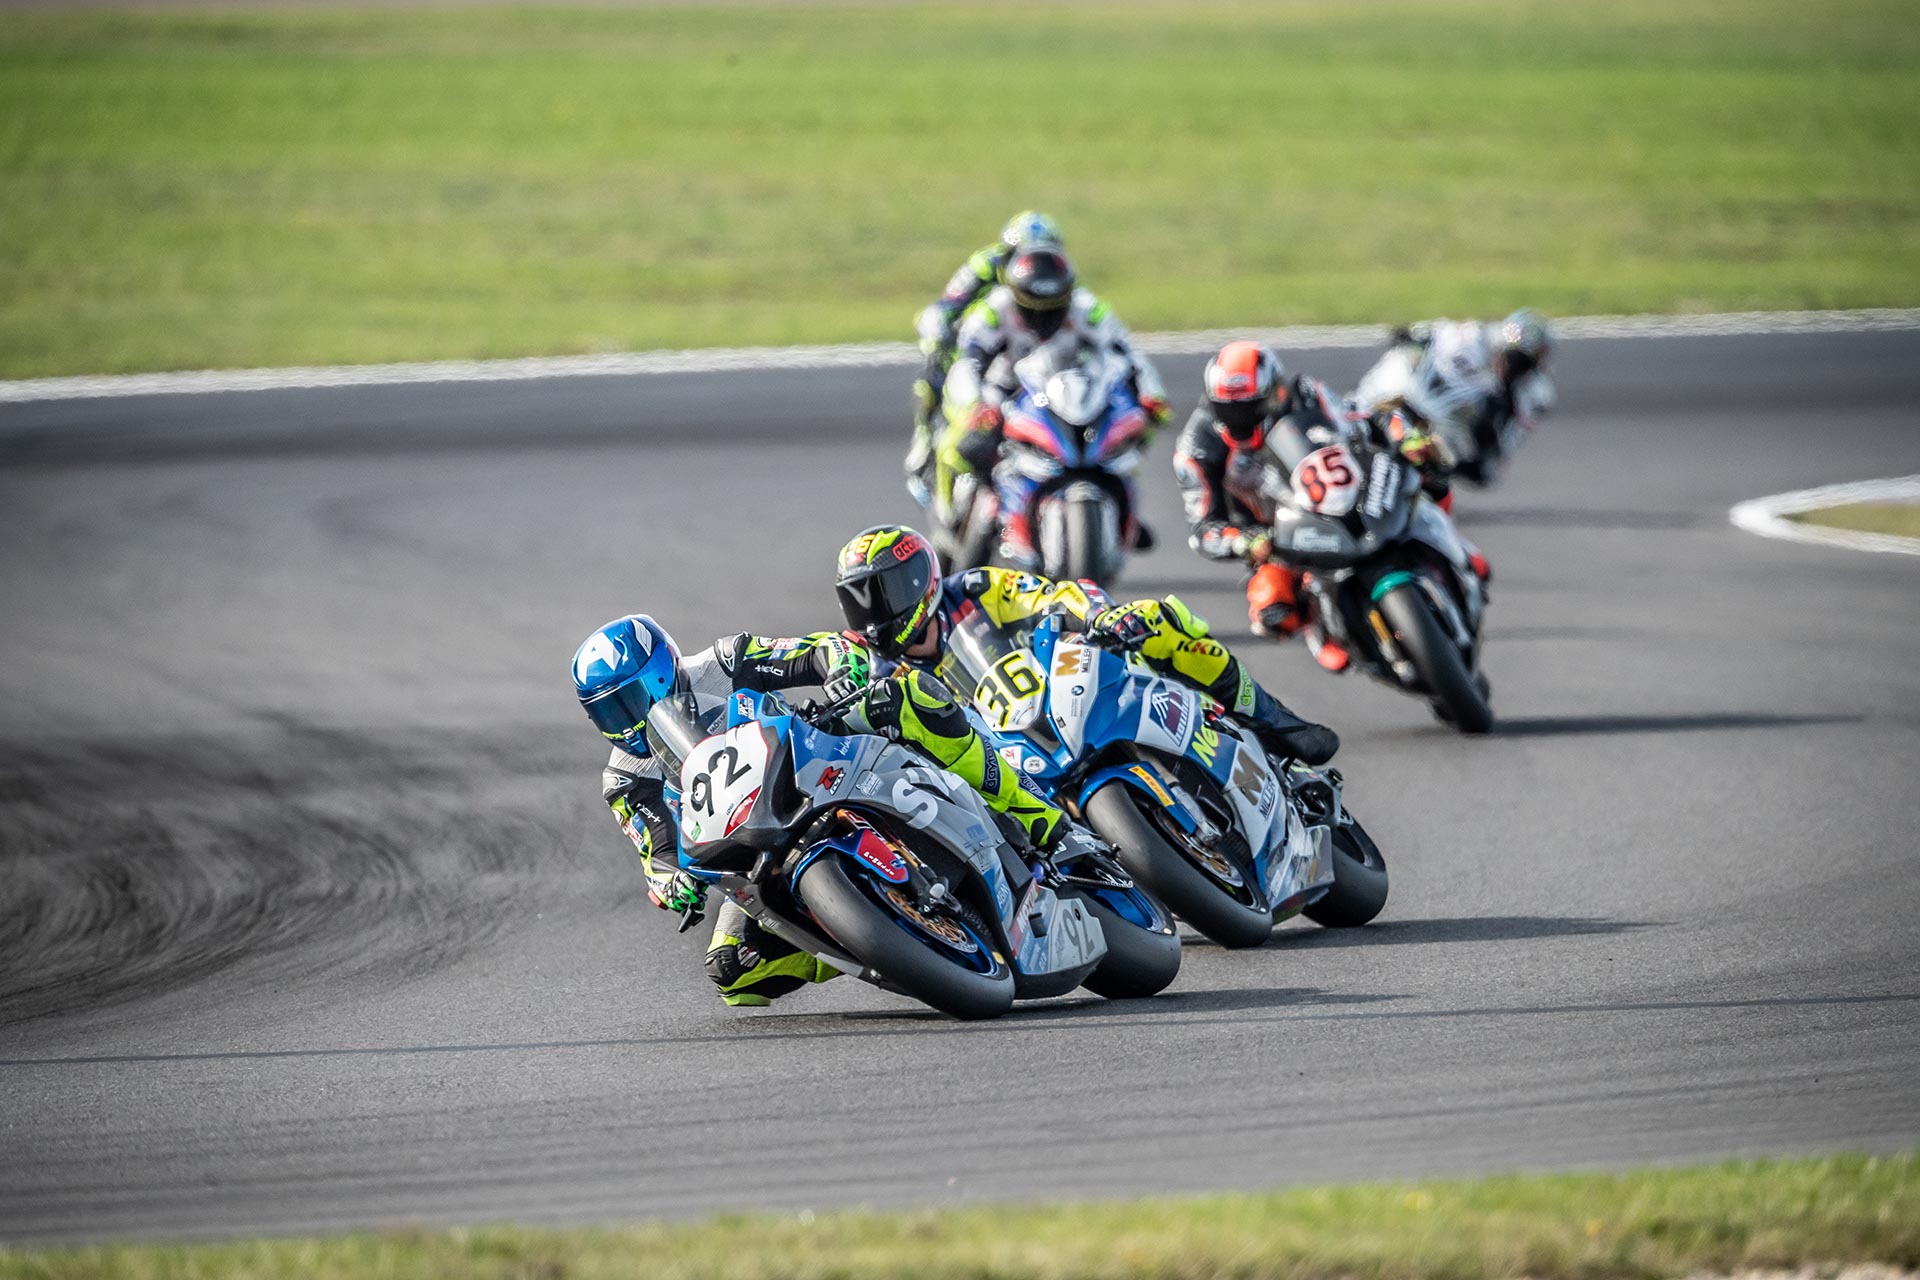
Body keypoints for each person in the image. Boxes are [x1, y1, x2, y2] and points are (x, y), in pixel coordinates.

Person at [570, 608, 1072, 1007]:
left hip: (815, 755)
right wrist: (671, 883)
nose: (629, 720)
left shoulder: (721, 662)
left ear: (664, 671)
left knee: (907, 698)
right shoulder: (624, 781)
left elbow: (818, 650)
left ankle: (1038, 814)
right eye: (610, 711)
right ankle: (875, 939)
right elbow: (656, 851)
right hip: (751, 845)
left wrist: (840, 670)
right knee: (733, 968)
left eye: (634, 697)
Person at [831, 524, 1339, 767]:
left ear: (919, 581)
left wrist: (1100, 615)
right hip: (1005, 761)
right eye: (859, 602)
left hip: (1071, 689)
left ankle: (1275, 721)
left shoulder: (974, 589)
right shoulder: (880, 672)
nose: (874, 613)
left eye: (884, 594)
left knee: (1161, 622)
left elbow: (1053, 594)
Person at [1173, 340, 1490, 671]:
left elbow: (1363, 417)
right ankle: (1332, 632)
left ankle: (1455, 546)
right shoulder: (1196, 448)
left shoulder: (1305, 394)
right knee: (1272, 611)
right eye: (1229, 409)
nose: (1241, 419)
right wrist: (1243, 541)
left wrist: (1404, 438)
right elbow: (1203, 529)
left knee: (1430, 471)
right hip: (1277, 534)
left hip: (1347, 491)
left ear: (1273, 392)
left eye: (1251, 406)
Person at [933, 243, 1172, 566]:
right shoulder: (992, 311)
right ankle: (955, 513)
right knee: (963, 446)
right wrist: (975, 404)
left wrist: (1151, 394)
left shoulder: (1089, 309)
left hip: (1068, 392)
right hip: (1005, 392)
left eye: (1052, 310)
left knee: (1135, 420)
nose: (1042, 319)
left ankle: (1119, 501)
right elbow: (967, 363)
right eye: (1032, 309)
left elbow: (1128, 355)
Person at [905, 210, 1064, 499]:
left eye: (1045, 255)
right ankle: (923, 449)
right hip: (976, 343)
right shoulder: (984, 265)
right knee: (932, 381)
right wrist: (940, 336)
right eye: (1024, 255)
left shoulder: (1056, 276)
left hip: (1029, 352)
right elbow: (946, 305)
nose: (1034, 265)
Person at [1349, 309, 1556, 486]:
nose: (1510, 366)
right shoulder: (1474, 335)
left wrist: (1487, 437)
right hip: (1415, 391)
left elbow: (1495, 463)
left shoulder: (1534, 396)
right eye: (1509, 356)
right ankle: (1352, 415)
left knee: (1471, 470)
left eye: (1521, 362)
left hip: (1448, 423)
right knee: (1397, 364)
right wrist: (1414, 336)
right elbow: (1430, 333)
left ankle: (1419, 481)